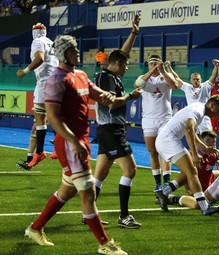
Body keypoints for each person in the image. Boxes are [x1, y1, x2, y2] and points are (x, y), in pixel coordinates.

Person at [24, 35, 128, 254]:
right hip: (70, 143)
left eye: (77, 49)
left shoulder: (80, 75)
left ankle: (35, 228)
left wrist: (125, 97)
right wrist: (74, 141)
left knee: (67, 190)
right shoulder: (56, 79)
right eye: (73, 50)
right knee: (88, 192)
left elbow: (102, 97)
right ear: (62, 54)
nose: (78, 53)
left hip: (80, 141)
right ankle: (105, 244)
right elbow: (52, 117)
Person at [93, 15, 142, 229]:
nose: (127, 67)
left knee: (100, 174)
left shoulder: (112, 75)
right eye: (126, 65)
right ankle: (124, 216)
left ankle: (89, 214)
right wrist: (131, 96)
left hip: (107, 130)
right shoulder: (107, 78)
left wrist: (133, 33)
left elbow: (122, 54)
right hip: (111, 129)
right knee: (130, 169)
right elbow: (111, 104)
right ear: (118, 65)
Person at [154, 95, 219, 215]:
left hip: (165, 140)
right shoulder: (198, 111)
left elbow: (192, 133)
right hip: (168, 140)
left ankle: (164, 193)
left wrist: (204, 148)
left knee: (189, 171)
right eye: (218, 110)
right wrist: (194, 153)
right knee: (193, 171)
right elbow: (189, 130)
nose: (218, 114)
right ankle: (205, 207)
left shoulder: (199, 109)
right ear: (212, 105)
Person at [16, 22, 58, 169]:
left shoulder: (37, 42)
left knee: (40, 119)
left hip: (45, 84)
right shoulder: (51, 42)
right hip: (57, 82)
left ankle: (40, 152)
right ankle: (34, 157)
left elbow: (39, 58)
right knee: (47, 120)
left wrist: (24, 71)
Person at [134, 54, 178, 192]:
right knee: (152, 152)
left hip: (165, 119)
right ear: (148, 65)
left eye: (156, 64)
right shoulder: (144, 78)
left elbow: (174, 85)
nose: (155, 66)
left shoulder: (165, 76)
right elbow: (138, 85)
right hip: (148, 120)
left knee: (164, 151)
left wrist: (163, 71)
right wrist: (152, 71)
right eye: (152, 64)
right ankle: (157, 183)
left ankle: (167, 182)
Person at [165, 59, 219, 134]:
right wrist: (169, 67)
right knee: (194, 139)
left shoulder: (205, 86)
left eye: (197, 79)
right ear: (191, 80)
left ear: (201, 80)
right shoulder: (187, 87)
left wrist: (216, 66)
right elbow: (176, 78)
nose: (196, 81)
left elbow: (213, 76)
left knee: (208, 138)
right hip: (193, 117)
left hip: (204, 117)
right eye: (194, 79)